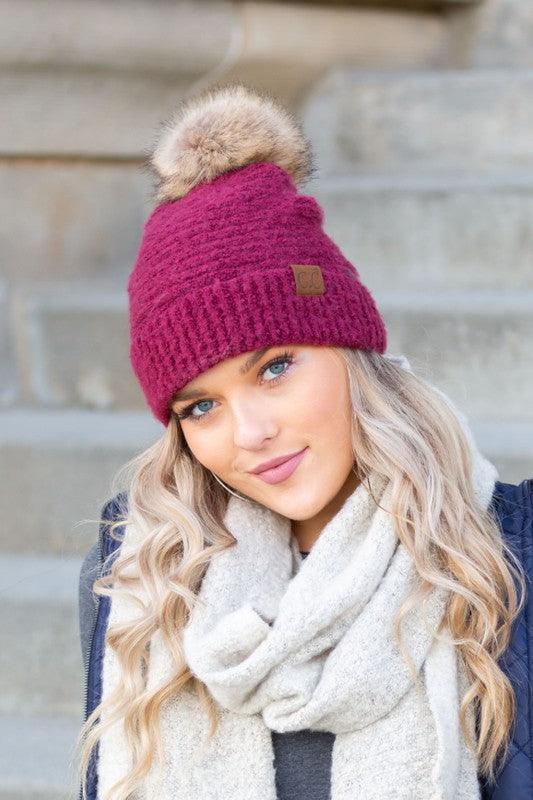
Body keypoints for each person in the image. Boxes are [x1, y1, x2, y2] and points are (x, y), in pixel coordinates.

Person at [77, 85, 532, 800]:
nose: (250, 434)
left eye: (275, 368)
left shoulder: (503, 557)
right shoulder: (145, 577)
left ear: (349, 352)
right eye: (201, 407)